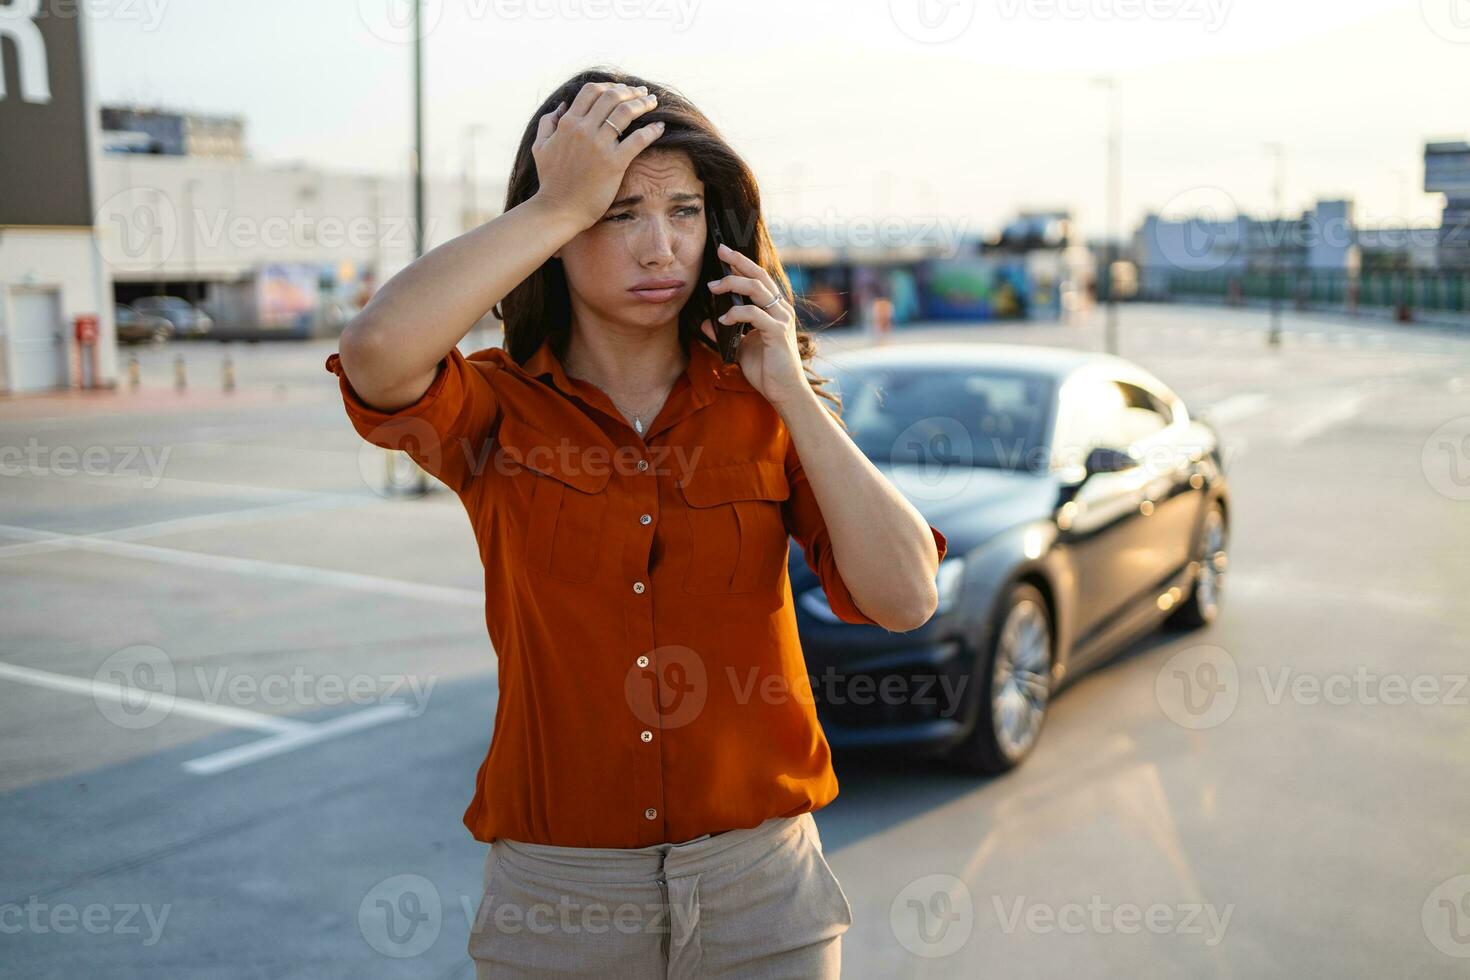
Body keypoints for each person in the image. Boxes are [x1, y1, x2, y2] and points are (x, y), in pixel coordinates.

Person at [325, 68, 948, 979]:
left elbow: (905, 597)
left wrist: (797, 398)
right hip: (559, 905)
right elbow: (376, 355)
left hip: (763, 897)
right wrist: (554, 204)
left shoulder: (763, 404)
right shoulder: (496, 409)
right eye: (618, 214)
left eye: (685, 211)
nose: (661, 247)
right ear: (563, 227)